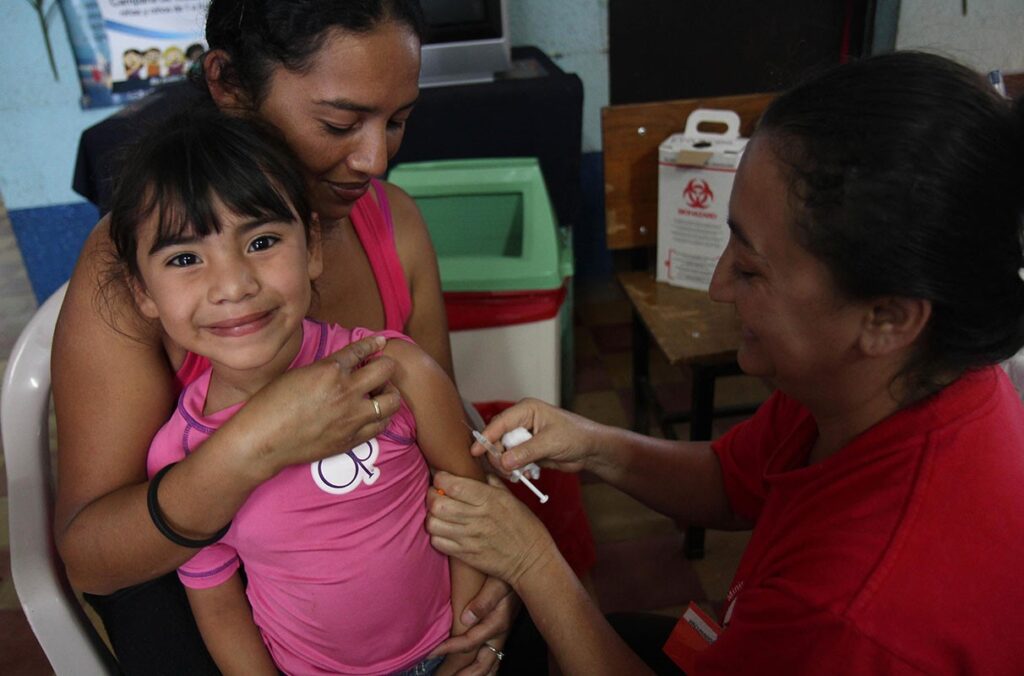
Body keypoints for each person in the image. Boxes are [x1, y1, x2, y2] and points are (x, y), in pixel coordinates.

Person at [426, 51, 1024, 674]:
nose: (716, 286)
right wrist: (588, 442)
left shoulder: (858, 609)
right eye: (728, 242)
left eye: (750, 269)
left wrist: (532, 563)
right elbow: (730, 482)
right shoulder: (873, 380)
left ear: (889, 317)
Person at [53, 2, 521, 673]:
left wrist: (495, 569)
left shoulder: (395, 226)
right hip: (230, 608)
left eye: (398, 121)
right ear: (228, 83)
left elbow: (446, 449)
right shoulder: (135, 267)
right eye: (339, 122)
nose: (375, 159)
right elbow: (94, 561)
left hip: (410, 602)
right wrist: (251, 446)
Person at [108, 108, 489, 675]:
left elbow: (471, 496)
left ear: (311, 246)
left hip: (446, 653)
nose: (234, 285)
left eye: (262, 241)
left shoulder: (396, 369)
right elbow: (218, 608)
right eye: (185, 258)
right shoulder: (180, 459)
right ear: (143, 293)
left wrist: (469, 636)